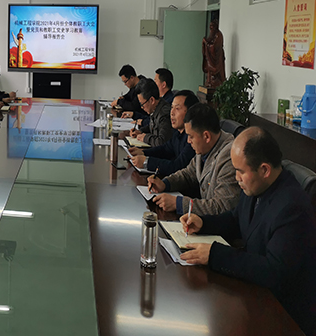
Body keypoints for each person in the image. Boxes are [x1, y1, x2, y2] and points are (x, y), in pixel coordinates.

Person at [179, 127, 316, 335]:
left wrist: (214, 254)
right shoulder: (258, 185)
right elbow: (236, 219)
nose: (236, 178)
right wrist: (203, 223)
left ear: (264, 169)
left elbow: (273, 271)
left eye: (240, 171)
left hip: (282, 315)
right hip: (254, 294)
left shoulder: (292, 207)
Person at [147, 103, 241, 215]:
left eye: (191, 136)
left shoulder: (230, 157)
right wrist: (165, 184)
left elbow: (221, 207)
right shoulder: (205, 146)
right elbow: (189, 174)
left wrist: (179, 204)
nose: (188, 141)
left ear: (206, 136)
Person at [129, 90, 198, 176]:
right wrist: (143, 153)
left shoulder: (192, 138)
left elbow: (178, 166)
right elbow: (165, 149)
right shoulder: (178, 132)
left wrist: (147, 162)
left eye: (177, 108)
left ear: (190, 112)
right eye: (172, 107)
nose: (172, 113)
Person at [129, 78, 172, 147]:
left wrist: (145, 138)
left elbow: (162, 142)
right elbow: (153, 127)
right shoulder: (156, 108)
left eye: (142, 104)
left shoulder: (164, 114)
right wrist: (140, 131)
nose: (142, 107)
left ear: (152, 100)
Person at [202, 19, 226, 88]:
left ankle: (215, 81)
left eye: (212, 26)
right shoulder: (212, 34)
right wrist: (205, 43)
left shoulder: (218, 35)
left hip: (217, 58)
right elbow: (210, 41)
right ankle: (209, 81)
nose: (211, 29)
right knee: (209, 70)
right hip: (211, 56)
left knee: (215, 70)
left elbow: (214, 46)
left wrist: (206, 43)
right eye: (210, 27)